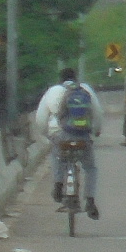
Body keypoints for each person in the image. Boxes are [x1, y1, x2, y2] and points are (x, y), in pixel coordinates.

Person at [35, 66, 101, 219]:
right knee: (90, 168)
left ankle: (58, 184)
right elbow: (97, 113)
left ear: (60, 79)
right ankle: (90, 200)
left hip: (61, 135)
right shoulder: (85, 90)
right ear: (76, 78)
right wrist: (96, 131)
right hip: (83, 136)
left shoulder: (52, 91)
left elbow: (40, 119)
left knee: (58, 156)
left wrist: (46, 134)